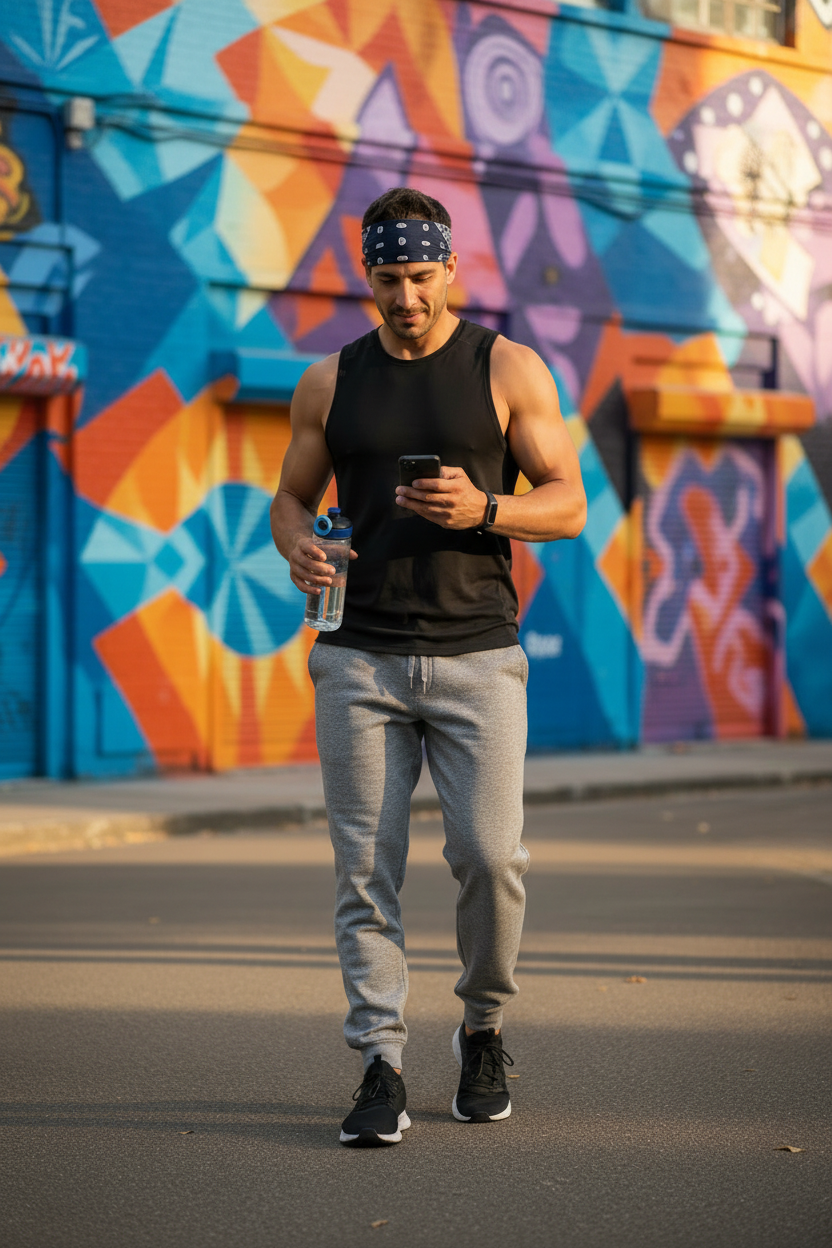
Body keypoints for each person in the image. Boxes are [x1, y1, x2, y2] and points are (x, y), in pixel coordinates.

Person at [270, 186, 586, 1147]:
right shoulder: (329, 382)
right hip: (357, 657)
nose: (405, 296)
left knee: (492, 861)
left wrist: (485, 510)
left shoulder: (507, 367)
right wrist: (298, 547)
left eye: (420, 275)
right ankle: (380, 1062)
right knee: (365, 871)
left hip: (478, 659)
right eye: (387, 277)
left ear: (450, 268)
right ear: (365, 275)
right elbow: (289, 498)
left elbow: (569, 504)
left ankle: (483, 1028)